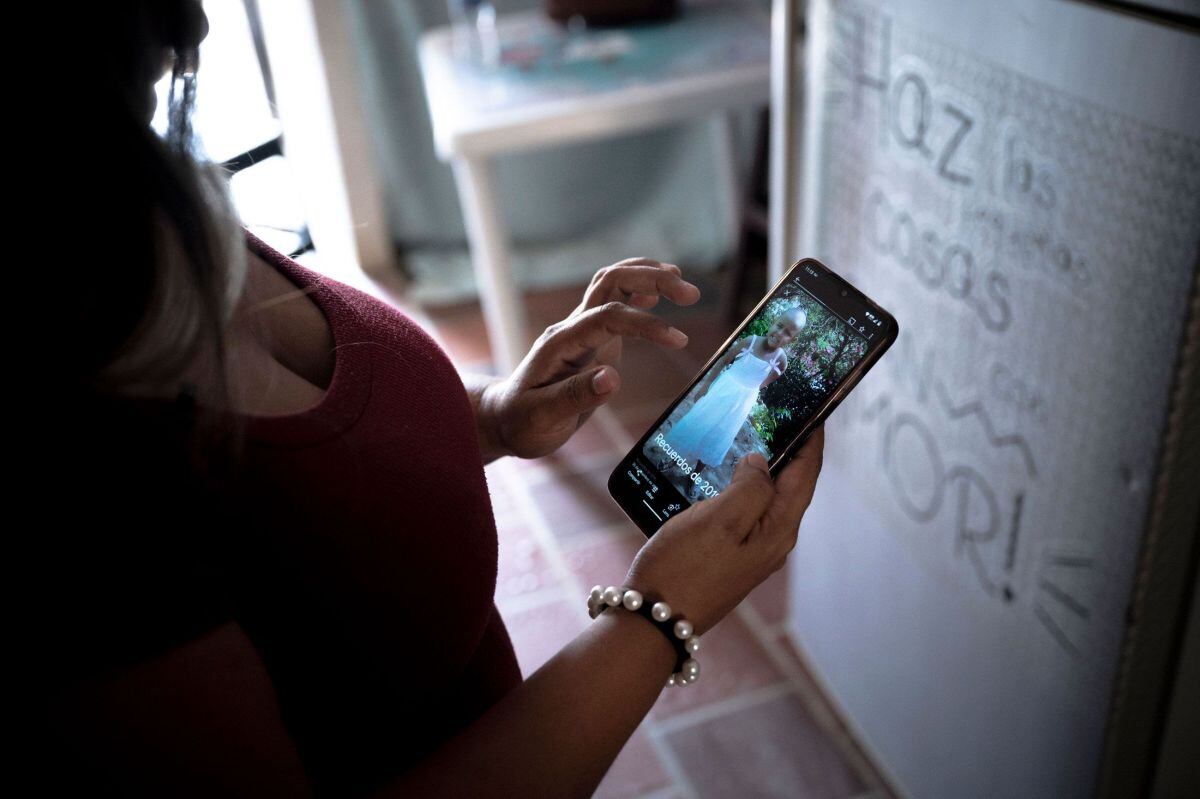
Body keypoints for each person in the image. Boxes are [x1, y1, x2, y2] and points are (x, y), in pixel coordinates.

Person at [33, 3, 824, 796]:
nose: (194, 26)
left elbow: (302, 489)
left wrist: (495, 414)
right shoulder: (71, 466)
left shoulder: (138, 203)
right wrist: (657, 614)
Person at [665, 307, 807, 497]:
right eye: (779, 326)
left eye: (787, 333)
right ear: (773, 322)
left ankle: (694, 475)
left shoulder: (780, 361)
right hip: (723, 391)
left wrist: (745, 393)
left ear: (793, 339)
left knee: (719, 436)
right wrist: (706, 384)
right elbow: (725, 360)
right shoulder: (750, 342)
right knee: (698, 422)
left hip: (740, 403)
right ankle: (674, 459)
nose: (779, 333)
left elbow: (764, 382)